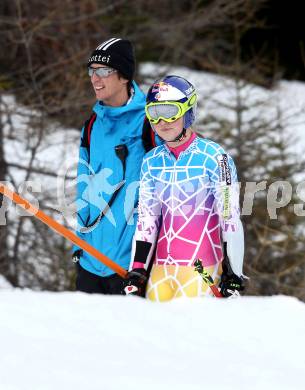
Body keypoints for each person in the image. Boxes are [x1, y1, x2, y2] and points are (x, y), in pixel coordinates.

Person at [125, 75, 245, 301]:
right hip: (161, 272)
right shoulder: (151, 161)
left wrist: (233, 274)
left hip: (202, 270)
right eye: (154, 113)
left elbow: (230, 219)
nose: (162, 121)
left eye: (170, 111)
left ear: (188, 111)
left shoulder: (215, 157)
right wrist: (138, 269)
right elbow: (147, 220)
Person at [73, 38, 153, 294]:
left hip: (131, 266)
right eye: (92, 71)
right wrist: (79, 245)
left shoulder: (151, 123)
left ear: (124, 76)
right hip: (90, 262)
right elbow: (83, 188)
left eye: (104, 71)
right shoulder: (92, 126)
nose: (95, 79)